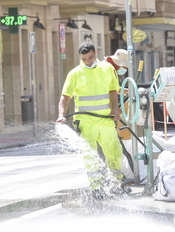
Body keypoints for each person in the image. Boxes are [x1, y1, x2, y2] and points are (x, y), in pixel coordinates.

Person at [56, 42, 128, 199]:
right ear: (80, 57)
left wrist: (115, 109)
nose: (88, 61)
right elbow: (65, 96)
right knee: (90, 156)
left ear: (96, 52)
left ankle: (117, 184)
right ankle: (97, 188)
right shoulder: (75, 74)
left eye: (91, 57)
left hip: (106, 119)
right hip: (85, 121)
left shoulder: (107, 68)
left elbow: (112, 91)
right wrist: (62, 114)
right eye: (85, 58)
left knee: (115, 152)